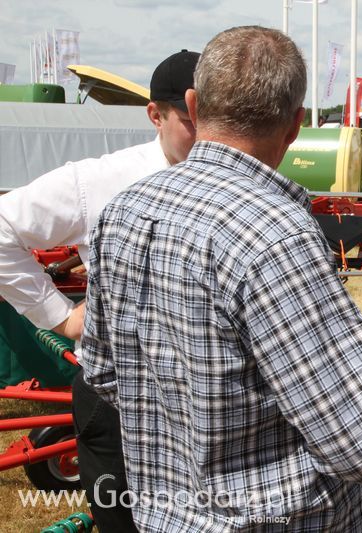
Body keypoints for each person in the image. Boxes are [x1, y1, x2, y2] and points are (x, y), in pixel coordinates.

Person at [81, 26, 362, 532]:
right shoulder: (277, 235)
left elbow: (104, 373)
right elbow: (361, 442)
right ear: (295, 126)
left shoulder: (125, 210)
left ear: (193, 106)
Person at [0, 49, 199, 531]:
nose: (209, 136)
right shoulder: (100, 181)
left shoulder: (241, 177)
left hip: (211, 404)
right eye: (193, 120)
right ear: (156, 115)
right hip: (121, 402)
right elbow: (3, 229)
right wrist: (61, 315)